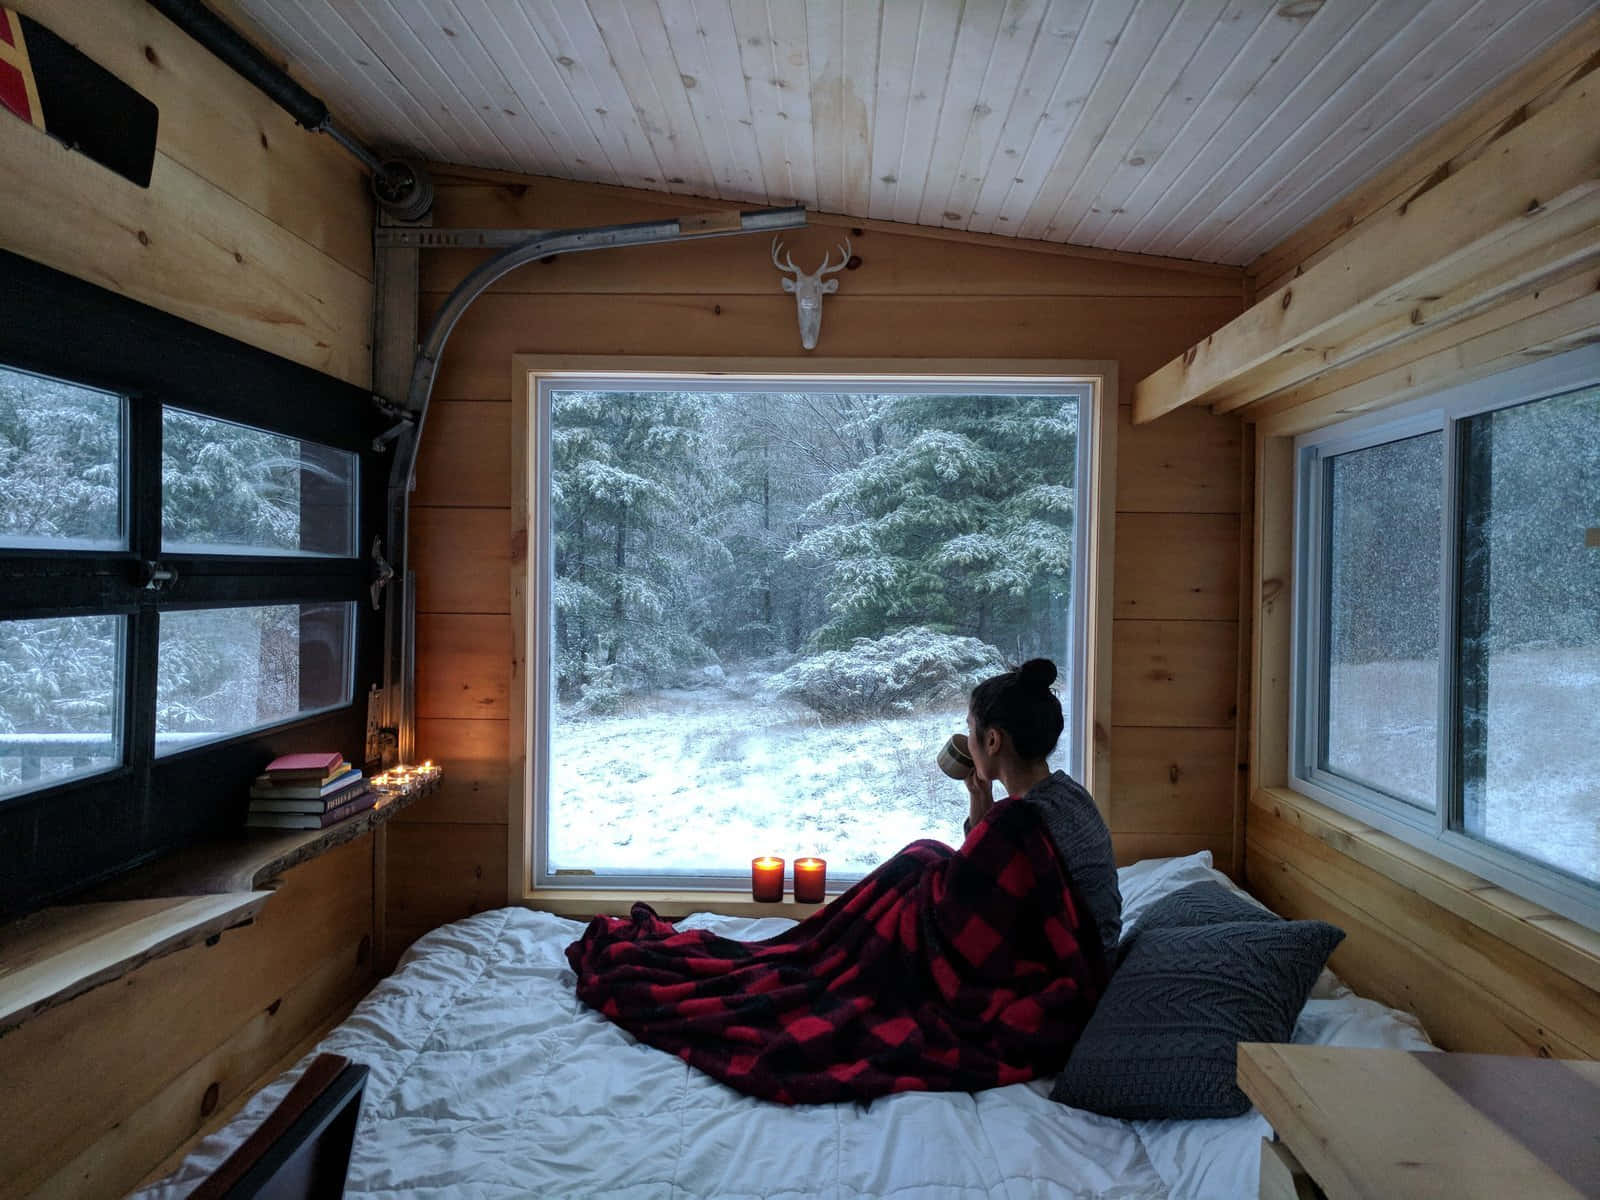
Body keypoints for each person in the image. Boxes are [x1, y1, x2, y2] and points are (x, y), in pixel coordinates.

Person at [961, 657, 1122, 956]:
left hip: (1068, 975)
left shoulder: (1019, 821)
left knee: (918, 858)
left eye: (969, 728)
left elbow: (967, 901)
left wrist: (986, 820)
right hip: (1099, 958)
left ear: (992, 740)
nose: (967, 740)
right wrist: (981, 809)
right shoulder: (1071, 794)